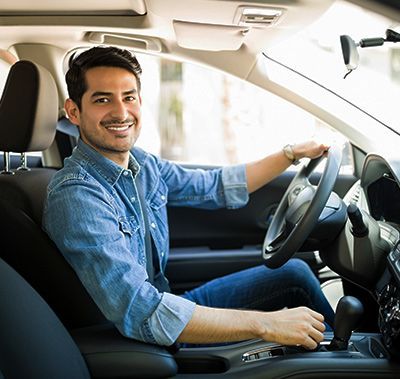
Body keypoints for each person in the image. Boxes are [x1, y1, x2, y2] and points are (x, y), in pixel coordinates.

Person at [43, 46, 334, 350]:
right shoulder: (76, 195)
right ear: (74, 111)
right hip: (142, 343)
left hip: (168, 304)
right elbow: (142, 311)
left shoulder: (141, 165)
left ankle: (340, 354)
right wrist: (267, 324)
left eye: (128, 97)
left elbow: (215, 186)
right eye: (102, 99)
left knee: (295, 272)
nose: (120, 112)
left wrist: (291, 154)